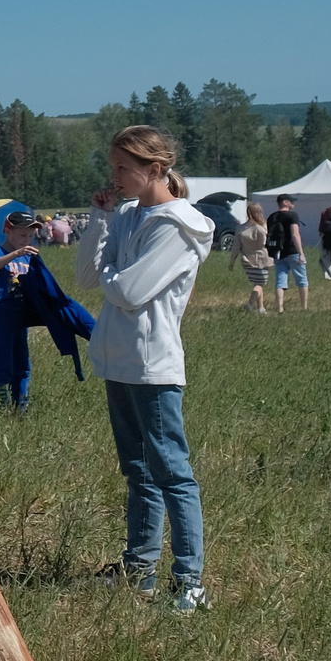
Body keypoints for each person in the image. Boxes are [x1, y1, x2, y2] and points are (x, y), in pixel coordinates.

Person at [78, 124, 215, 614]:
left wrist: (116, 274)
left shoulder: (180, 226)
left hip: (154, 365)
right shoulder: (128, 215)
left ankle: (190, 581)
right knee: (138, 472)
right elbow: (88, 277)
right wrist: (100, 219)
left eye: (123, 168)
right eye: (113, 167)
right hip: (118, 360)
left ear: (154, 170)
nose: (114, 177)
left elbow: (130, 293)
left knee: (172, 472)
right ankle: (139, 568)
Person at [0, 210, 39, 409]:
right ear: (8, 231)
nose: (26, 240)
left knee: (23, 364)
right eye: (22, 235)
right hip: (3, 314)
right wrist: (15, 254)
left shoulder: (28, 257)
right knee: (4, 362)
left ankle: (21, 405)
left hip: (22, 315)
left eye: (30, 236)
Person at [265, 193, 309, 313]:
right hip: (292, 251)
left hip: (278, 252)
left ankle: (280, 307)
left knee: (280, 280)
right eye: (291, 201)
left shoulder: (272, 217)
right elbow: (295, 234)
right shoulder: (292, 215)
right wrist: (301, 252)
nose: (293, 203)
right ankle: (304, 307)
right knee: (302, 280)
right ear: (285, 202)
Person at [232, 202, 272, 313]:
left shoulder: (240, 228)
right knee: (260, 284)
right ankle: (249, 305)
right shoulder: (263, 226)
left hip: (246, 259)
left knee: (257, 282)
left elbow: (236, 247)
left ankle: (261, 308)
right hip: (261, 259)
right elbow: (265, 242)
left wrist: (232, 261)